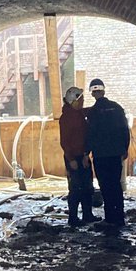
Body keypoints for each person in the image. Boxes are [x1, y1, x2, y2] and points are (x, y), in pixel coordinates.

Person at [84, 77, 131, 228]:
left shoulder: (93, 112)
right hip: (115, 153)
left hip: (101, 155)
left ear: (92, 94)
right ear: (104, 90)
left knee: (105, 186)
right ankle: (119, 217)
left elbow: (90, 134)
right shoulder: (117, 108)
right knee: (116, 185)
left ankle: (110, 217)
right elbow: (125, 129)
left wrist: (87, 152)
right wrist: (125, 148)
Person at [58, 86, 95, 227]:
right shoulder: (66, 118)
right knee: (75, 188)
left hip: (83, 155)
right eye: (81, 100)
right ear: (73, 101)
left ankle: (87, 215)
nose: (83, 102)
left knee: (87, 186)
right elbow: (65, 140)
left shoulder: (78, 114)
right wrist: (71, 159)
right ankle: (73, 218)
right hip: (74, 157)